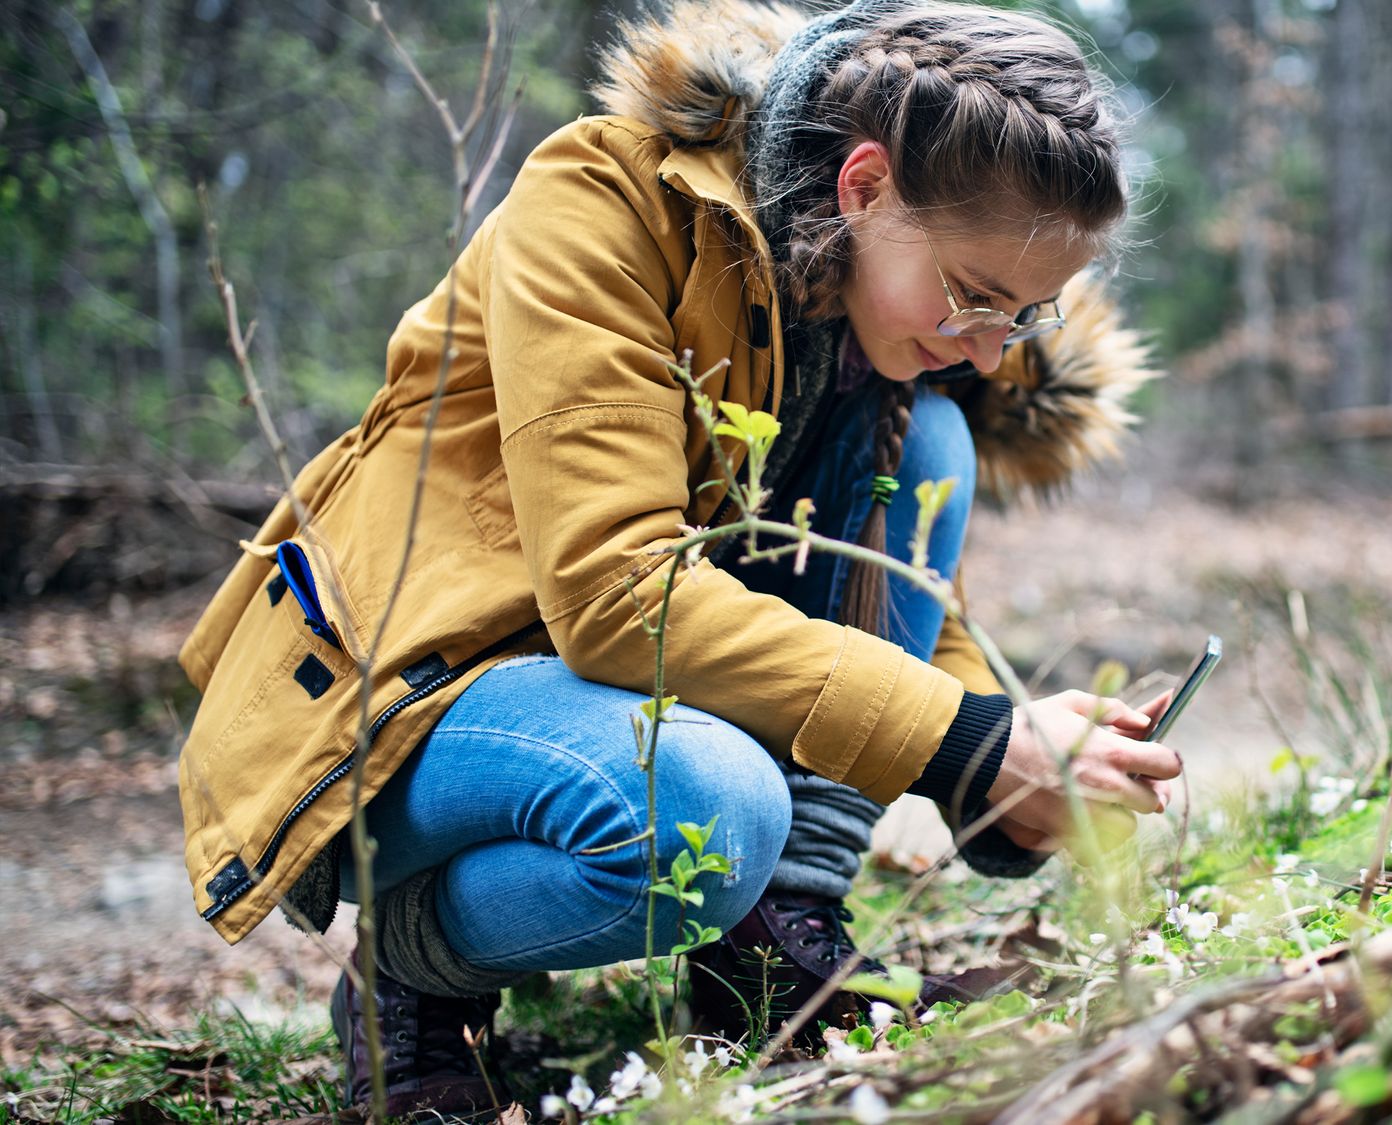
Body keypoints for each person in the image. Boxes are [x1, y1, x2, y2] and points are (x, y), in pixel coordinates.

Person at [174, 0, 1183, 1115]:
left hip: (606, 693)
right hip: (419, 696)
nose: (991, 346)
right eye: (973, 297)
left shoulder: (870, 330)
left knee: (939, 431)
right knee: (705, 809)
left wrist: (1013, 774)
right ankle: (413, 973)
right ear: (860, 187)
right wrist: (967, 745)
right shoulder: (602, 204)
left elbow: (894, 601)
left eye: (1026, 315)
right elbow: (617, 596)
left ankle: (770, 956)